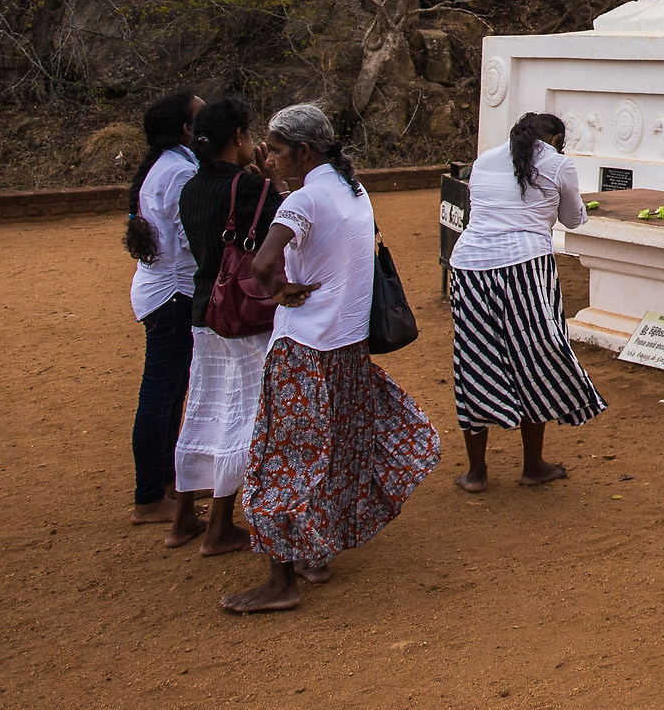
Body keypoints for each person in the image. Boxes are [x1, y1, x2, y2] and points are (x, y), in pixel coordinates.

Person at [222, 103, 439, 614]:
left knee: (284, 458)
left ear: (302, 151)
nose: (268, 160)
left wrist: (279, 289)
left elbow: (263, 260)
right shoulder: (351, 188)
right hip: (346, 345)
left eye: (275, 151)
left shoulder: (307, 199)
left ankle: (280, 582)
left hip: (303, 347)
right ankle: (313, 553)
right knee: (335, 450)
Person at [446, 110, 605, 492]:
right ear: (554, 141)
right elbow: (573, 219)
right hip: (525, 268)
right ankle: (533, 466)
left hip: (469, 267)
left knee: (475, 360)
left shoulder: (483, 160)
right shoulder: (558, 164)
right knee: (534, 357)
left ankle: (476, 473)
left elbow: (479, 210)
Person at [169, 97, 283, 555]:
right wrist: (269, 181)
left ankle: (183, 519)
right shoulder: (248, 187)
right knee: (243, 413)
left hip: (205, 310)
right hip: (244, 314)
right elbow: (282, 231)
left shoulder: (190, 187)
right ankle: (218, 526)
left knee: (203, 407)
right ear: (238, 138)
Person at [124, 90, 202, 527]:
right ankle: (149, 495)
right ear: (187, 130)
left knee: (170, 391)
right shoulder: (177, 172)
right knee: (161, 392)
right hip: (173, 295)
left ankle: (165, 482)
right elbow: (190, 234)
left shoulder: (170, 166)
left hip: (167, 292)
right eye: (201, 116)